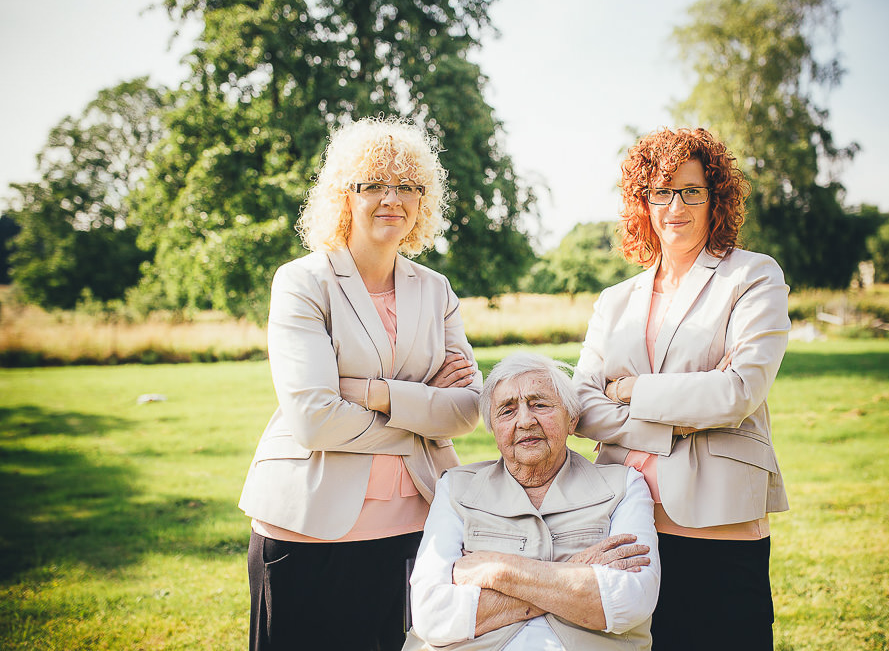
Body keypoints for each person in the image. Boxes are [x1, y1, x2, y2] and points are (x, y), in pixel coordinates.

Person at [238, 116, 482, 651]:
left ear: (423, 201)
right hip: (306, 527)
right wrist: (423, 412)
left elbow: (465, 410)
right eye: (373, 184)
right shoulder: (303, 281)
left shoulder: (437, 289)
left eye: (407, 186)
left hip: (415, 526)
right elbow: (314, 419)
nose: (391, 198)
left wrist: (374, 393)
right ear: (342, 195)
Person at [573, 127, 792, 650]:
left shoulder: (754, 276)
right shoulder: (615, 300)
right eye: (662, 192)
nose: (676, 205)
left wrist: (629, 390)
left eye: (691, 191)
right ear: (642, 204)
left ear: (715, 197)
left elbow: (738, 392)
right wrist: (680, 412)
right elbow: (581, 405)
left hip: (717, 523)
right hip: (623, 522)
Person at [404, 352, 660, 651]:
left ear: (571, 419)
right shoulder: (456, 488)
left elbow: (630, 602)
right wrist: (576, 571)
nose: (525, 421)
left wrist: (499, 569)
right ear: (494, 429)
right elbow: (432, 616)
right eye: (507, 411)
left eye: (540, 404)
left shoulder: (623, 486)